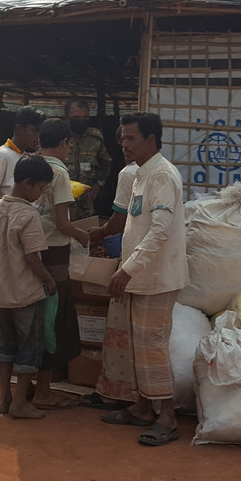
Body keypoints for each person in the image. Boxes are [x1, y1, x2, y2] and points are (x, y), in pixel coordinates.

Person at [98, 113, 188, 446]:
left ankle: (167, 417)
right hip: (143, 274)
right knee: (140, 344)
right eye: (123, 138)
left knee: (152, 347)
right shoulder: (141, 174)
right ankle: (142, 408)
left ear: (151, 139)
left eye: (131, 138)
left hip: (156, 277)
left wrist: (128, 269)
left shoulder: (161, 175)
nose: (124, 144)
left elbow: (160, 230)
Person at [0, 107, 45, 378]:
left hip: (19, 231)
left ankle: (7, 352)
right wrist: (6, 215)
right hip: (4, 232)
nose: (36, 137)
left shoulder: (26, 158)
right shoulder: (2, 156)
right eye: (33, 131)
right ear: (19, 129)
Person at [0, 155, 58, 420]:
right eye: (40, 188)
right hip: (25, 294)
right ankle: (20, 402)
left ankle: (5, 397)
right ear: (28, 184)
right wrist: (49, 280)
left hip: (0, 293)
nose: (40, 195)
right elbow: (32, 257)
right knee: (29, 347)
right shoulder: (28, 214)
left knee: (5, 346)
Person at [33, 119, 93, 409]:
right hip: (55, 253)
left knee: (35, 317)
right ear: (64, 143)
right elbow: (62, 223)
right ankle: (44, 389)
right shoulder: (59, 172)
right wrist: (86, 237)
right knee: (53, 319)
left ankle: (32, 385)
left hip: (32, 250)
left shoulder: (30, 164)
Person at [79, 158, 139, 410]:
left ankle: (116, 392)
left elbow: (118, 221)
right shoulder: (164, 172)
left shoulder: (128, 173)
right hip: (146, 263)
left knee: (118, 325)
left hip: (131, 260)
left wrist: (99, 234)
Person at [64, 99, 113, 220]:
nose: (81, 121)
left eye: (85, 118)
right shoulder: (58, 138)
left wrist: (98, 186)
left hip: (88, 204)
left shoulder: (95, 138)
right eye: (76, 118)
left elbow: (106, 163)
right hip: (63, 204)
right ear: (66, 117)